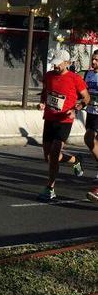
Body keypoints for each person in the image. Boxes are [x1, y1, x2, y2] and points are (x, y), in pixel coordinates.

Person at [37, 49, 90, 202]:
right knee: (48, 156)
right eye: (54, 64)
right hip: (49, 118)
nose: (55, 67)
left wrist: (76, 109)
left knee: (54, 153)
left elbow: (86, 97)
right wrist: (42, 102)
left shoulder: (75, 78)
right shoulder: (49, 76)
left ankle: (50, 188)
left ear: (67, 63)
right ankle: (75, 160)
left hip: (65, 120)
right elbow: (45, 92)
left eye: (58, 64)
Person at [83, 49, 98, 202]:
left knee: (91, 139)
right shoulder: (88, 74)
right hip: (91, 112)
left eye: (97, 60)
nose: (93, 62)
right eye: (93, 59)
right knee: (90, 142)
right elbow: (84, 92)